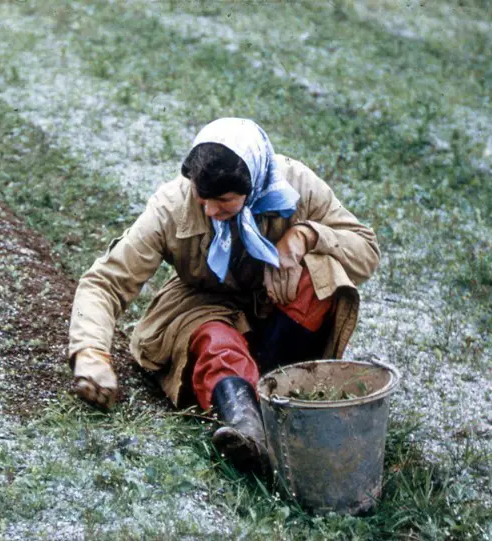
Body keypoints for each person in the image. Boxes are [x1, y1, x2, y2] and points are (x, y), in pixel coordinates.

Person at [68, 118, 380, 473]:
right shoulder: (171, 206)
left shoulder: (296, 185)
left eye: (223, 201)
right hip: (204, 307)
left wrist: (304, 237)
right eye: (202, 198)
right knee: (214, 339)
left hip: (274, 308)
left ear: (254, 185)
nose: (209, 211)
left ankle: (283, 388)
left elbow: (366, 250)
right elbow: (105, 281)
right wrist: (91, 353)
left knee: (321, 274)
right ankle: (247, 426)